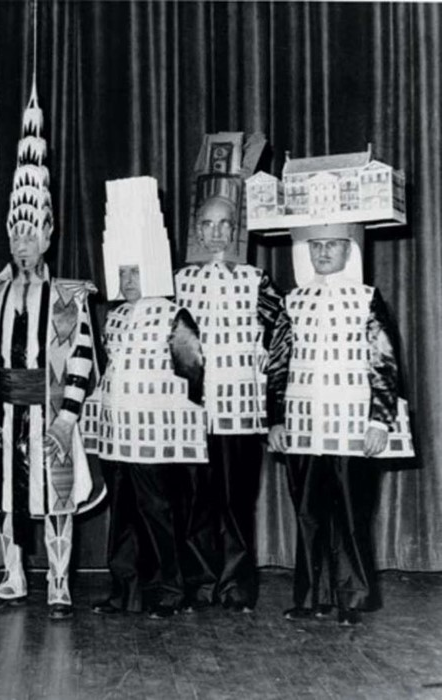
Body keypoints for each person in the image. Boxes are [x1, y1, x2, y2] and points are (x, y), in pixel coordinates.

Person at [0, 84, 101, 621]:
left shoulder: (68, 297)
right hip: (6, 407)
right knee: (8, 496)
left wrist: (67, 419)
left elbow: (82, 358)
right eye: (15, 235)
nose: (22, 244)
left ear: (47, 235)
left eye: (31, 235)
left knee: (55, 496)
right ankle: (13, 574)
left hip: (49, 407)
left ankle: (59, 581)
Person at [266, 222, 414, 626]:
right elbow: (278, 366)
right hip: (303, 426)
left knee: (351, 514)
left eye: (333, 244)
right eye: (317, 245)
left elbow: (384, 362)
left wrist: (379, 421)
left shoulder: (366, 299)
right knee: (307, 513)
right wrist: (276, 420)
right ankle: (311, 597)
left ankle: (351, 599)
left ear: (349, 250)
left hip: (351, 425)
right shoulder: (292, 301)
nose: (324, 252)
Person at [87, 177, 207, 618]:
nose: (128, 280)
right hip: (118, 433)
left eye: (136, 272)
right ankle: (125, 590)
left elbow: (193, 376)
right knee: (123, 515)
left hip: (155, 437)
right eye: (123, 272)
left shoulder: (175, 315)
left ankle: (169, 591)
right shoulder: (115, 317)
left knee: (158, 513)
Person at [174, 135, 284, 613]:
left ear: (236, 228)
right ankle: (200, 582)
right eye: (208, 224)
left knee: (237, 501)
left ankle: (236, 586)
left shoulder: (257, 282)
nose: (216, 232)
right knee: (196, 500)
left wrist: (271, 396)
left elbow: (281, 340)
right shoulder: (179, 282)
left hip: (241, 413)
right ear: (197, 229)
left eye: (225, 224)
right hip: (192, 412)